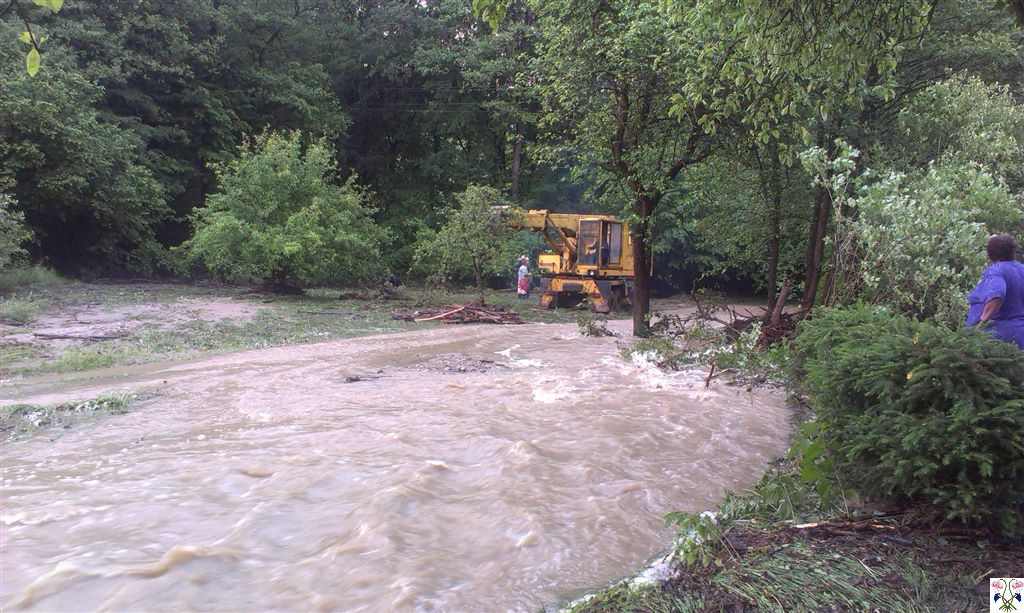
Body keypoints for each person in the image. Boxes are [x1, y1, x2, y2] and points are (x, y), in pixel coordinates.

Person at [966, 234, 1024, 349]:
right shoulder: (1021, 269)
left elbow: (997, 294)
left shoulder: (997, 270)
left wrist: (981, 323)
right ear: (1013, 251)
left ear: (990, 253)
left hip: (1000, 335)